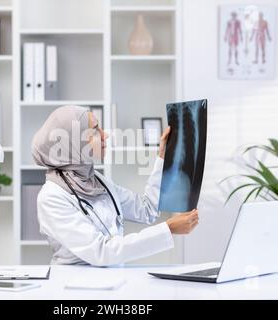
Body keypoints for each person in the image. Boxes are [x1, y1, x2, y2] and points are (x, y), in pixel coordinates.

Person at [32, 106, 199, 267]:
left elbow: (147, 210)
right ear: (73, 141)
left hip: (112, 281)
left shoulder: (96, 180)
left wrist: (162, 156)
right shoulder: (51, 197)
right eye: (96, 130)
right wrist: (167, 230)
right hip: (71, 286)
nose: (105, 135)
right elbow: (101, 251)